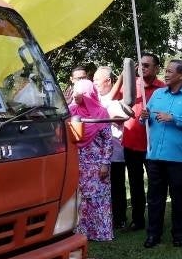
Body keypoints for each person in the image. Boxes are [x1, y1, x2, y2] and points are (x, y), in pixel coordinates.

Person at [140, 60, 182, 247]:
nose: (165, 74)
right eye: (165, 71)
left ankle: (178, 234)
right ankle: (153, 235)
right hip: (155, 157)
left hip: (178, 158)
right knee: (154, 198)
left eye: (169, 71)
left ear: (181, 75)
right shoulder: (158, 94)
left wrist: (173, 118)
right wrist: (142, 117)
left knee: (179, 198)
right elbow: (145, 119)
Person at [121, 53, 166, 230]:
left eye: (147, 65)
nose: (142, 68)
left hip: (154, 144)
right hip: (132, 142)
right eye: (140, 65)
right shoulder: (132, 84)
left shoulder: (163, 88)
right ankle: (138, 220)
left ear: (157, 68)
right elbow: (114, 100)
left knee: (156, 184)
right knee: (135, 183)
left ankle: (156, 221)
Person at [69, 79, 114, 241]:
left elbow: (108, 141)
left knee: (97, 199)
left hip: (96, 165)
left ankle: (100, 233)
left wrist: (104, 163)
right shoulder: (71, 111)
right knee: (80, 200)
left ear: (87, 94)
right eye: (74, 91)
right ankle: (81, 233)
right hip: (77, 164)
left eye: (79, 92)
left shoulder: (101, 113)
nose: (75, 95)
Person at [95, 66, 128, 228]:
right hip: (97, 156)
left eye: (96, 80)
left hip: (115, 154)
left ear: (108, 81)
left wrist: (108, 117)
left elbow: (123, 118)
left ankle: (119, 219)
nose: (94, 84)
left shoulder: (114, 102)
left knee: (117, 187)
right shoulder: (94, 101)